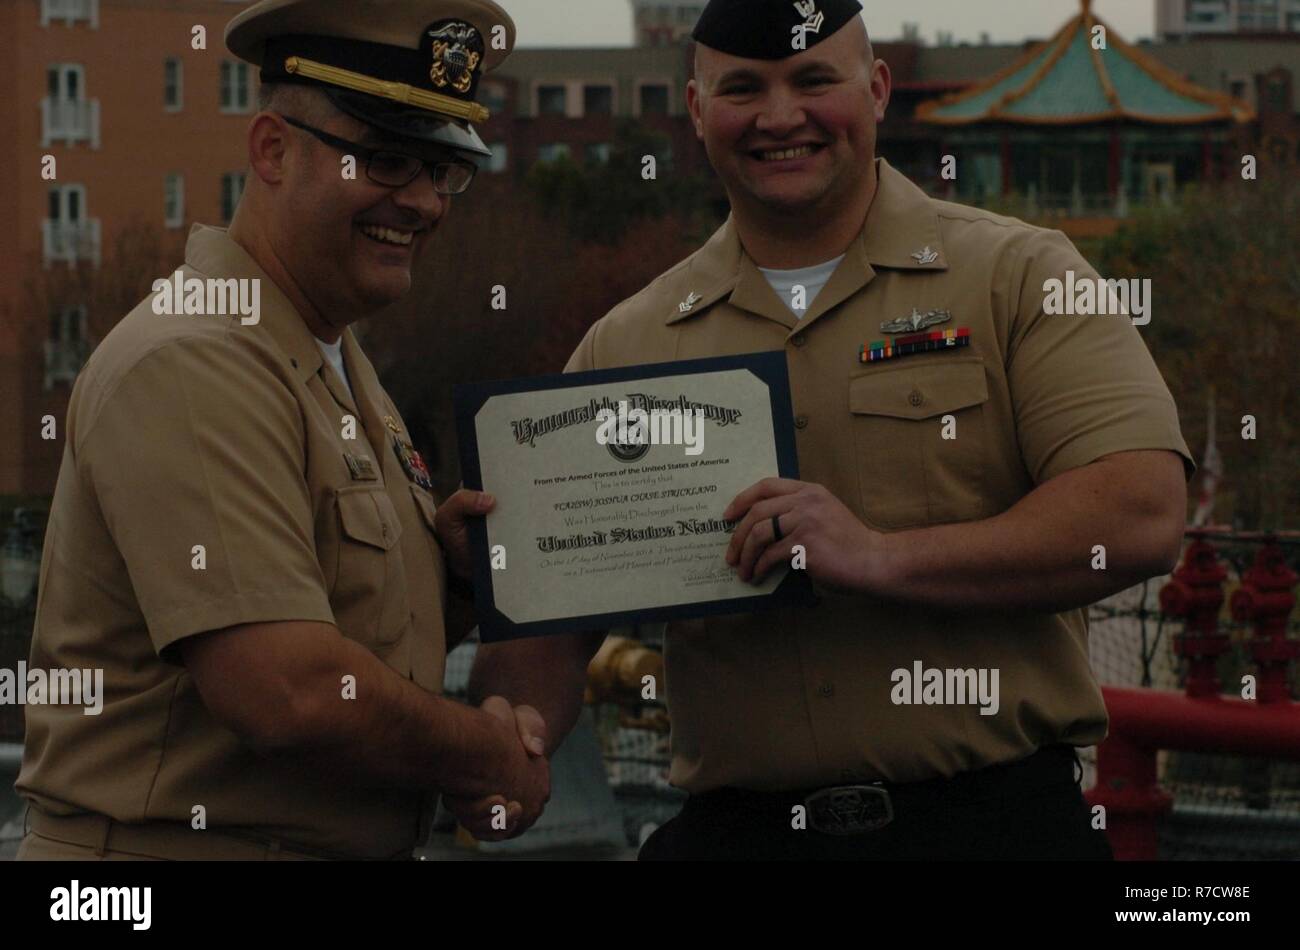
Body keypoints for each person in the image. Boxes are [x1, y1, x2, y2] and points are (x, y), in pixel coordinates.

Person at [466, 0, 1193, 860]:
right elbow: (547, 630)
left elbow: (1140, 513)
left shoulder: (1020, 276)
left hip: (989, 829)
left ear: (878, 89)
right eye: (743, 89)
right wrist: (500, 742)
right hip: (741, 839)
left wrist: (877, 555)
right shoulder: (628, 342)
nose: (781, 117)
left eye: (815, 80)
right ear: (698, 113)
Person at [16, 0, 547, 861]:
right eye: (383, 158)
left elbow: (326, 625)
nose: (419, 202)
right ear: (270, 149)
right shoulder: (196, 359)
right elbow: (287, 692)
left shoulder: (324, 356)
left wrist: (445, 585)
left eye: (441, 168)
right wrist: (488, 751)